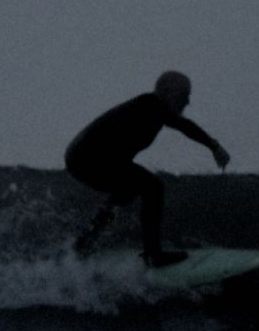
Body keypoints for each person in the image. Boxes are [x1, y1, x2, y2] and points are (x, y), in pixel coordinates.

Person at [65, 71, 230, 267]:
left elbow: (182, 125)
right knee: (153, 187)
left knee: (128, 190)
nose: (187, 102)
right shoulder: (150, 106)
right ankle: (153, 255)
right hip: (87, 158)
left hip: (84, 158)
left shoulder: (153, 108)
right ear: (167, 93)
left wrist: (213, 146)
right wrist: (215, 147)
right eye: (184, 95)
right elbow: (184, 125)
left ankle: (84, 244)